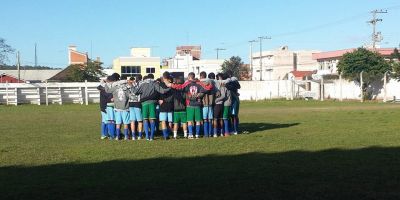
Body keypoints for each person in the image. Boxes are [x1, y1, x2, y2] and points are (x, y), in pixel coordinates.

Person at [170, 72, 212, 139]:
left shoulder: (187, 83)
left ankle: (191, 134)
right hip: (198, 104)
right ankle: (197, 135)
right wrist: (208, 84)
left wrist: (171, 85)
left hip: (189, 105)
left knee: (190, 121)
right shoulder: (199, 83)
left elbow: (180, 87)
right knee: (198, 121)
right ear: (194, 76)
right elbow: (208, 88)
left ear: (189, 77)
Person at [132, 73, 171, 141]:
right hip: (153, 103)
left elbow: (135, 92)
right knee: (152, 119)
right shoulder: (154, 83)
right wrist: (170, 88)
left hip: (144, 103)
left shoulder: (143, 84)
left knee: (145, 119)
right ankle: (152, 136)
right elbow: (162, 91)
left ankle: (147, 136)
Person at [105, 73, 131, 140]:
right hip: (125, 107)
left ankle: (117, 136)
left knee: (118, 123)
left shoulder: (115, 87)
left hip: (117, 108)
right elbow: (130, 95)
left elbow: (107, 91)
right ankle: (126, 136)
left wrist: (106, 83)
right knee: (125, 123)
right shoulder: (127, 87)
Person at [200, 71, 215, 138]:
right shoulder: (211, 82)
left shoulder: (200, 83)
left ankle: (206, 134)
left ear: (201, 76)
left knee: (205, 119)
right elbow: (216, 92)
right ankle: (210, 133)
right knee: (210, 119)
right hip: (210, 104)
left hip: (203, 104)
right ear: (205, 76)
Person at [159, 72, 174, 140]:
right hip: (170, 104)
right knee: (170, 121)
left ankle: (165, 135)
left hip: (163, 104)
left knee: (163, 121)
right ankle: (168, 133)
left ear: (163, 77)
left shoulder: (160, 85)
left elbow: (158, 93)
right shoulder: (172, 84)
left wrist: (160, 99)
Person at [128, 75, 143, 140]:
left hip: (130, 103)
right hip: (138, 103)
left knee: (132, 121)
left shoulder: (129, 84)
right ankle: (139, 135)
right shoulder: (140, 84)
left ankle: (133, 136)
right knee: (140, 121)